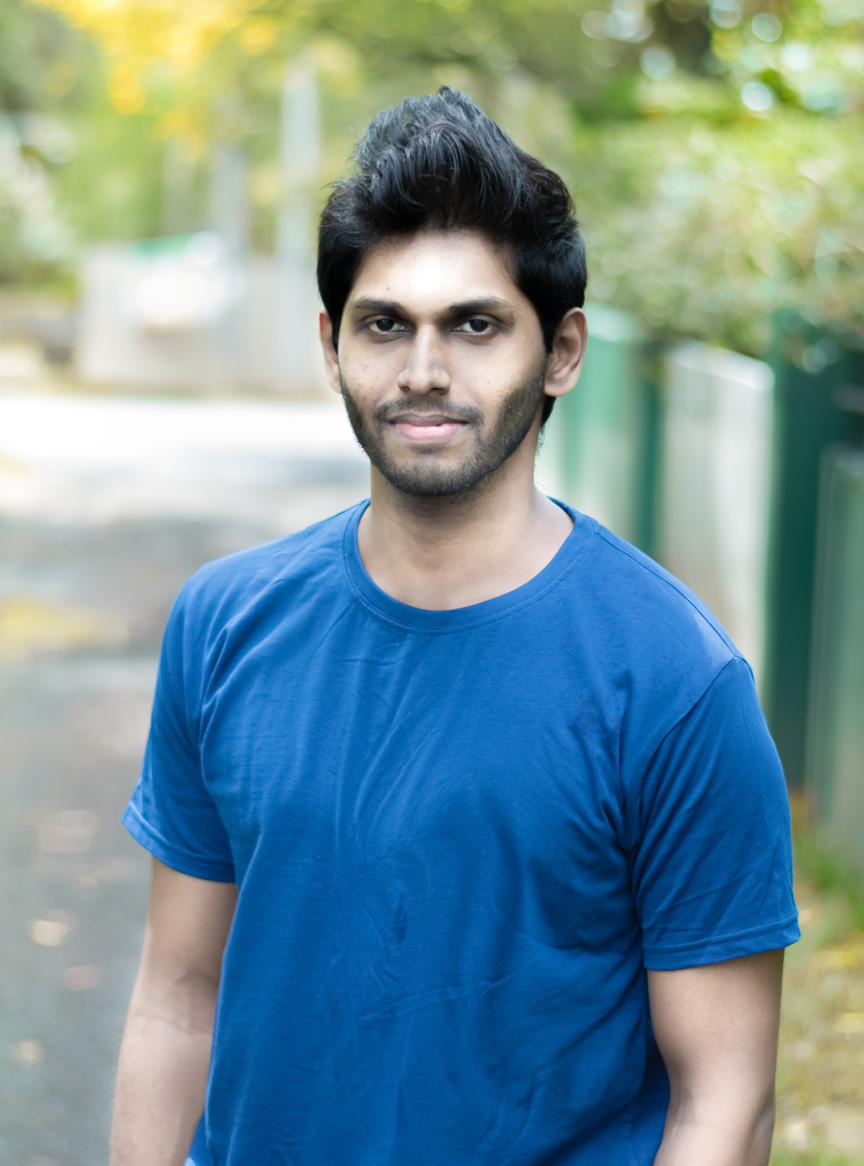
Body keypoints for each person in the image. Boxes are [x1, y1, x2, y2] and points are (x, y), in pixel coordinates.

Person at [110, 87, 800, 1166]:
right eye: (386, 324)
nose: (423, 369)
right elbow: (177, 997)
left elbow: (724, 1097)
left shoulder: (674, 679)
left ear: (560, 350)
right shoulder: (223, 623)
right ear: (333, 342)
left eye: (474, 324)